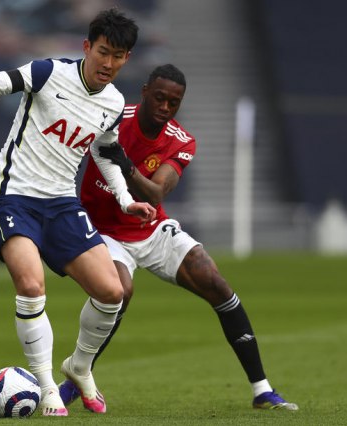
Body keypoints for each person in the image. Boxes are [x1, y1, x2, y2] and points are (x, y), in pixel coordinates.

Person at [0, 9, 157, 416]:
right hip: (12, 197)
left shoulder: (114, 102)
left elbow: (104, 151)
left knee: (112, 293)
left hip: (62, 204)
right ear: (87, 47)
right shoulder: (47, 72)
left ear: (127, 58)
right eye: (103, 52)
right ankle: (47, 386)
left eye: (118, 56)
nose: (108, 63)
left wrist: (124, 200)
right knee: (32, 286)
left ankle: (79, 367)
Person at [59, 64, 299, 411]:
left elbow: (157, 193)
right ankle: (75, 380)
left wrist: (127, 167)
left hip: (151, 228)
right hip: (104, 231)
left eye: (174, 102)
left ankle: (262, 390)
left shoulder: (181, 140)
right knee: (119, 292)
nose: (165, 107)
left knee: (215, 281)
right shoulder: (112, 117)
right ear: (145, 92)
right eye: (159, 98)